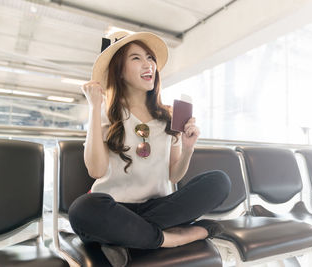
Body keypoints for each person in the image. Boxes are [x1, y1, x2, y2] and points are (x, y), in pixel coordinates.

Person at [68, 31, 231, 266]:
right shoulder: (106, 113)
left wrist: (187, 149)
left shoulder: (169, 117)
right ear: (119, 71)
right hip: (114, 208)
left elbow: (174, 175)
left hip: (159, 206)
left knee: (219, 181)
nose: (148, 65)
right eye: (136, 59)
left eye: (150, 58)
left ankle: (129, 237)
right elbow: (96, 170)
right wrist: (94, 107)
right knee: (82, 209)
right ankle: (173, 237)